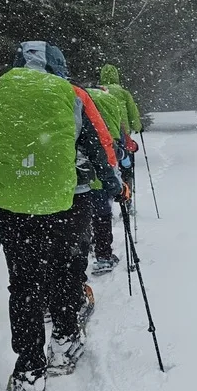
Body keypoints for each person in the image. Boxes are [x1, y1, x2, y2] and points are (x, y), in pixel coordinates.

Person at [0, 41, 123, 391]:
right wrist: (114, 186)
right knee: (66, 272)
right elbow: (102, 148)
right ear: (59, 66)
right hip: (69, 202)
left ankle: (31, 375)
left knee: (25, 285)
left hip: (16, 208)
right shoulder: (75, 94)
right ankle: (64, 343)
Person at [84, 84, 133, 273]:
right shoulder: (112, 101)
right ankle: (103, 256)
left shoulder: (78, 105)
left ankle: (86, 245)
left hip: (79, 175)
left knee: (81, 212)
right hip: (103, 173)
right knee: (102, 213)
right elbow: (115, 148)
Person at [99, 64, 143, 194]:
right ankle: (127, 193)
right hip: (123, 136)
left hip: (104, 135)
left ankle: (108, 195)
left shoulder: (100, 92)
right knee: (127, 168)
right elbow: (133, 114)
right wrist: (138, 127)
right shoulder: (124, 93)